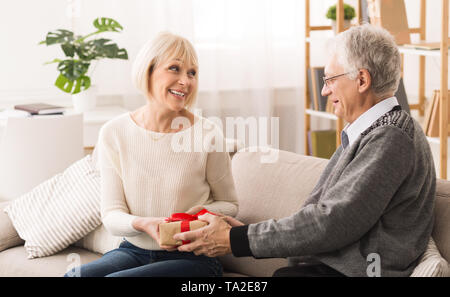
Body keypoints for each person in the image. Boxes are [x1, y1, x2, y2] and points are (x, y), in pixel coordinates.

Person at [174, 24, 436, 277]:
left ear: (362, 79)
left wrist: (236, 240)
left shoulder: (391, 137)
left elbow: (334, 222)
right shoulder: (369, 132)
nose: (324, 90)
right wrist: (248, 232)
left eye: (330, 79)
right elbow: (320, 216)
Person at [66, 32, 238, 277]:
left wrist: (198, 212)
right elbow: (112, 214)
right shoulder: (114, 132)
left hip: (194, 258)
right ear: (148, 70)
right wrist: (143, 223)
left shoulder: (208, 134)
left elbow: (231, 204)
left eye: (192, 73)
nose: (186, 81)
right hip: (133, 250)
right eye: (175, 69)